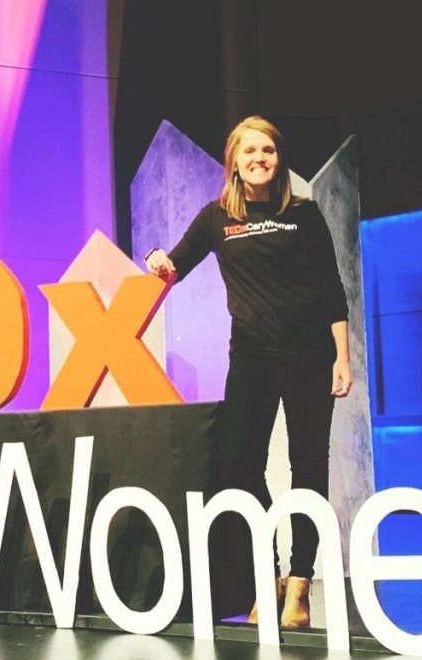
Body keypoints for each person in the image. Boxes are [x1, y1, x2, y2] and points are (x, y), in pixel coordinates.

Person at [145, 115, 351, 629]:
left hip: (309, 358)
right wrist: (155, 258)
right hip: (252, 358)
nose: (260, 158)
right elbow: (175, 263)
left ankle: (300, 585)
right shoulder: (217, 217)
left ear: (278, 159)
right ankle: (270, 574)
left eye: (269, 151)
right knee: (239, 466)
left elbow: (331, 287)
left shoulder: (302, 213)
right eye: (249, 151)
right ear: (233, 160)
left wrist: (342, 358)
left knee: (308, 469)